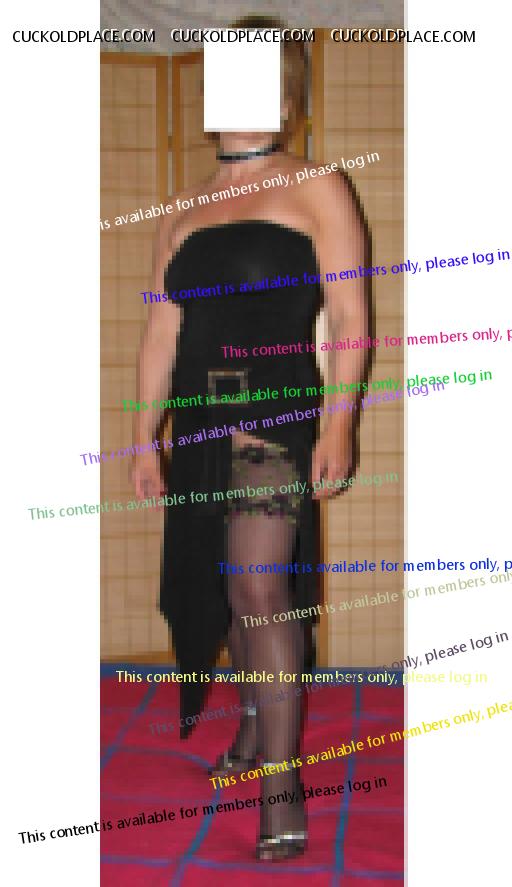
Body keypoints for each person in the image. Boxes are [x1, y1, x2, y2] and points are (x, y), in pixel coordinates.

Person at [132, 17, 367, 862]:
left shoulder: (318, 185)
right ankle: (249, 726)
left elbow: (349, 315)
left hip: (274, 419)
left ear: (287, 92)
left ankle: (280, 780)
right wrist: (140, 435)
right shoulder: (181, 208)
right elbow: (161, 331)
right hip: (199, 421)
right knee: (227, 586)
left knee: (261, 586)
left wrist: (339, 419)